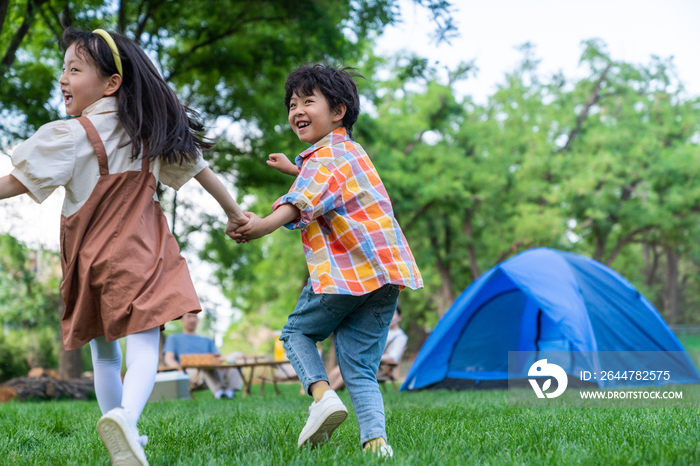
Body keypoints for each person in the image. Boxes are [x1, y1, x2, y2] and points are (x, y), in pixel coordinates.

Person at [0, 28, 247, 466]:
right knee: (145, 342)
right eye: (64, 70)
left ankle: (120, 430)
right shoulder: (150, 132)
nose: (63, 79)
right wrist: (234, 214)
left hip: (88, 258)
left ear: (111, 83)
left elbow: (14, 184)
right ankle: (127, 420)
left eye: (74, 69)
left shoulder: (71, 135)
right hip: (140, 250)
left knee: (105, 354)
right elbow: (203, 173)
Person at [232, 64, 423, 457]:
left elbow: (303, 199)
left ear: (337, 111)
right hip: (386, 278)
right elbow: (328, 184)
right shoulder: (351, 153)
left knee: (296, 334)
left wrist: (264, 225)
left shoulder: (322, 159)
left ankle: (322, 397)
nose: (296, 110)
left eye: (307, 101)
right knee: (360, 369)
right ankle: (376, 443)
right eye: (292, 103)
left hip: (346, 275)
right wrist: (296, 167)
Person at [163, 312, 242, 399]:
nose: (192, 319)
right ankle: (219, 391)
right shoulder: (173, 339)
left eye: (195, 316)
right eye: (189, 316)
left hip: (213, 369)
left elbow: (218, 357)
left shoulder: (206, 340)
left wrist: (221, 362)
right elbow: (169, 358)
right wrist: (179, 370)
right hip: (190, 372)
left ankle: (229, 391)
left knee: (235, 358)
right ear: (182, 320)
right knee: (205, 366)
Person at [328, 306, 407, 391]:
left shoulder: (400, 337)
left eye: (393, 314)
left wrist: (370, 356)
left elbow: (393, 357)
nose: (390, 317)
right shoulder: (382, 332)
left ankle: (331, 391)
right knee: (340, 368)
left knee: (351, 369)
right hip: (370, 362)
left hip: (382, 367)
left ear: (400, 317)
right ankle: (325, 390)